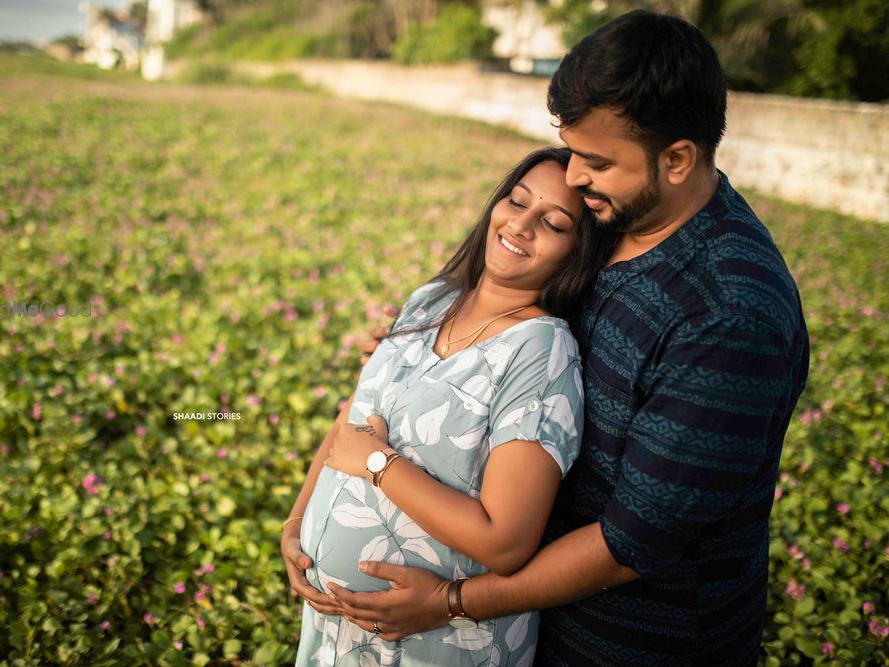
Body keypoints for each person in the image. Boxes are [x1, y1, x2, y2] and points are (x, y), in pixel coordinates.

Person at [295, 9, 811, 666]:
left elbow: (633, 543)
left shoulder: (729, 315)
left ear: (678, 158)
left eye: (596, 161)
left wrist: (453, 600)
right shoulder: (613, 219)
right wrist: (424, 359)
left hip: (635, 643)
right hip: (535, 622)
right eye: (570, 150)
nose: (570, 177)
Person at [281, 147, 618, 666]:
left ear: (577, 255)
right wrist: (297, 521)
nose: (520, 225)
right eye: (516, 201)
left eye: (552, 223)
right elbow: (354, 422)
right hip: (335, 634)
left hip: (435, 645)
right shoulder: (432, 300)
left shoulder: (541, 351)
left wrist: (379, 466)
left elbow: (505, 541)